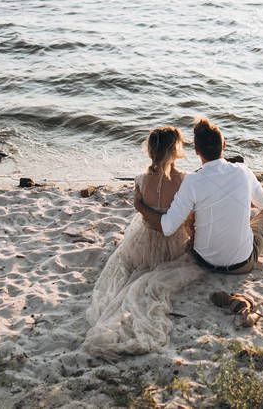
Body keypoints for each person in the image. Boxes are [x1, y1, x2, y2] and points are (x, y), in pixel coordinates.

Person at [83, 126, 200, 357]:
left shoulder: (140, 180)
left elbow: (144, 211)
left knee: (126, 265)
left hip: (144, 242)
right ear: (175, 149)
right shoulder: (185, 181)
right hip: (173, 243)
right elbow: (187, 217)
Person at [135, 118, 263, 274]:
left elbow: (167, 226)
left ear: (197, 151)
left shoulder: (191, 181)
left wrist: (140, 206)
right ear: (224, 145)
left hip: (203, 262)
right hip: (241, 265)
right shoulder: (243, 171)